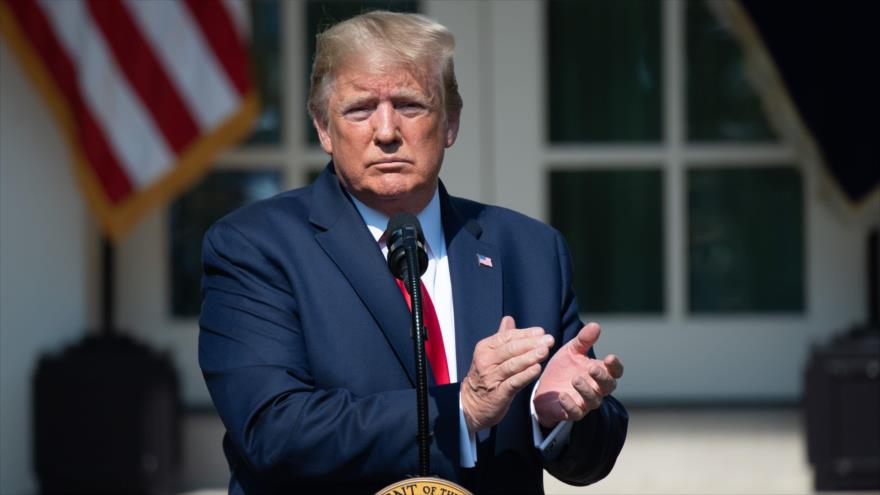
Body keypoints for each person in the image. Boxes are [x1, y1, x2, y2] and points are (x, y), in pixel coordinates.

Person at [199, 11, 627, 494]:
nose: (386, 132)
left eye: (410, 105)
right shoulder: (255, 246)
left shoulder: (528, 248)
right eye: (359, 109)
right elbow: (271, 431)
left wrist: (556, 416)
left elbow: (592, 458)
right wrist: (460, 410)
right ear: (323, 128)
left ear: (450, 123)